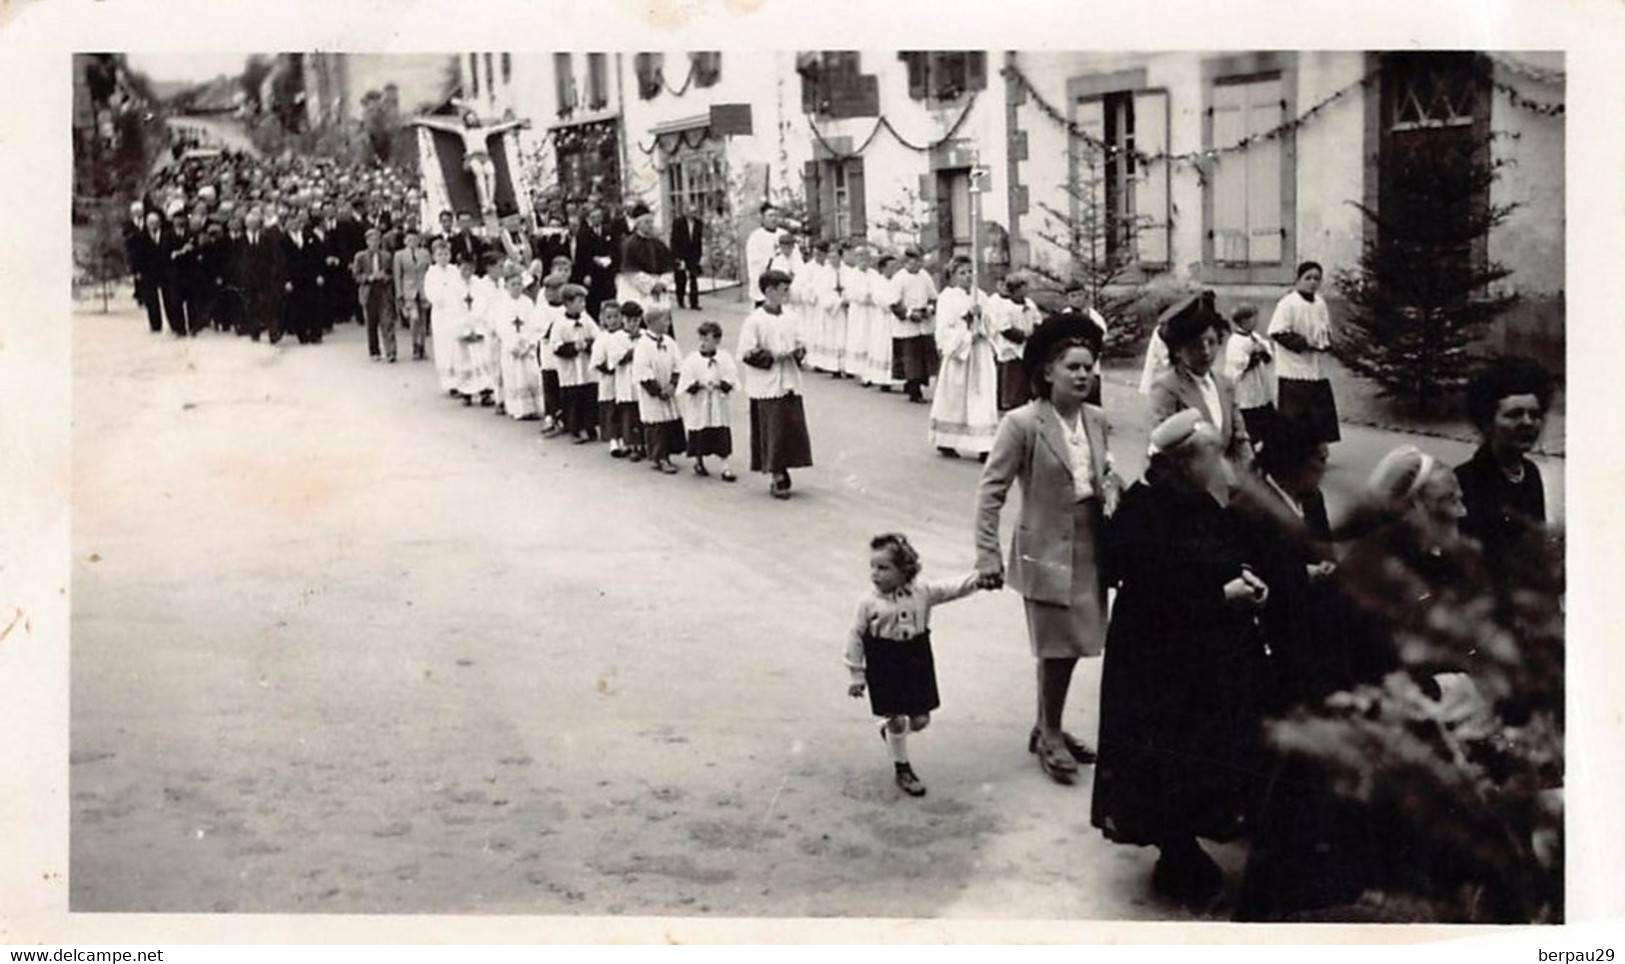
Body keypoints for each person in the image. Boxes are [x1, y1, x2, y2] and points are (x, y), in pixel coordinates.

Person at [1091, 409, 1271, 902]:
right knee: (1165, 757)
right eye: (1210, 458)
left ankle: (1195, 835)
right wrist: (1220, 597)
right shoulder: (1144, 510)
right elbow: (1150, 590)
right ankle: (1175, 851)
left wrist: (1248, 580)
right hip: (1157, 663)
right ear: (1182, 463)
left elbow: (1225, 551)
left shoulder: (1196, 500)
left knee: (1203, 750)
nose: (1219, 468)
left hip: (1201, 655)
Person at [975, 314, 1120, 785]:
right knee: (1056, 646)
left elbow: (1103, 479)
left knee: (1073, 643)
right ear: (1047, 373)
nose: (1083, 375)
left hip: (1090, 545)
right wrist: (987, 555)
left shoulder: (1096, 419)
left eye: (1089, 367)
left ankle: (1046, 725)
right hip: (1045, 549)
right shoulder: (1022, 424)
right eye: (1073, 367)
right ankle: (1051, 733)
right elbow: (990, 492)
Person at [845, 532, 988, 797]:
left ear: (905, 569)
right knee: (897, 719)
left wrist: (981, 579)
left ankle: (892, 734)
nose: (875, 574)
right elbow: (855, 636)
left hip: (916, 659)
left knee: (921, 720)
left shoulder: (923, 592)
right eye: (872, 567)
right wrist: (856, 674)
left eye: (883, 568)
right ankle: (903, 767)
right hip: (885, 662)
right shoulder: (868, 602)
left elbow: (952, 588)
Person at [1455, 357, 1556, 575]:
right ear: (1486, 422)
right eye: (1514, 414)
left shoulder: (1530, 473)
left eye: (1535, 415)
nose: (1528, 423)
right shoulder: (1463, 481)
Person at [1149, 291, 1252, 467]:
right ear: (1177, 350)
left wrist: (1247, 472)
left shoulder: (1224, 384)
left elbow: (1239, 439)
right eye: (1196, 345)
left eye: (1211, 342)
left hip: (1227, 485)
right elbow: (1165, 448)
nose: (1206, 352)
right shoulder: (1167, 387)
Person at [738, 269, 814, 499]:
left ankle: (786, 465)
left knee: (790, 427)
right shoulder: (755, 320)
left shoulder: (791, 316)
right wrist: (772, 356)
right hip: (767, 383)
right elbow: (746, 353)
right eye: (783, 290)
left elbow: (801, 341)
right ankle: (776, 473)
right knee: (773, 428)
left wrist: (799, 352)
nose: (787, 294)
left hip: (788, 379)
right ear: (769, 291)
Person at [928, 256, 999, 460]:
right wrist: (966, 330)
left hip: (980, 352)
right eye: (962, 273)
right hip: (961, 354)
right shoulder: (947, 297)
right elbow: (943, 329)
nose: (967, 277)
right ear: (953, 276)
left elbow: (993, 323)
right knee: (955, 396)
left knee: (982, 394)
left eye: (970, 272)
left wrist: (982, 318)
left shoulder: (982, 296)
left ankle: (984, 443)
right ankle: (947, 439)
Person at [1268, 261, 1340, 444]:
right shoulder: (1288, 303)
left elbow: (1325, 328)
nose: (1312, 282)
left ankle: (1318, 445)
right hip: (1293, 367)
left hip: (1316, 366)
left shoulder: (1320, 303)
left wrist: (1325, 342)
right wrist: (1305, 343)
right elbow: (1277, 332)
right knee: (1295, 412)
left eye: (1317, 278)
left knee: (1320, 409)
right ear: (1298, 280)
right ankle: (1294, 448)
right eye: (1308, 278)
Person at [677, 320, 740, 482]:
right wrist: (699, 385)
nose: (703, 343)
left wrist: (720, 384)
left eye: (707, 339)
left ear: (717, 341)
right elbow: (686, 382)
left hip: (718, 403)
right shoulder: (692, 359)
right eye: (701, 339)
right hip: (700, 403)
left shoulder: (724, 358)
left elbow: (732, 378)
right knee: (699, 431)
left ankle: (725, 465)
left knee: (720, 432)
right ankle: (699, 460)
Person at [632, 306, 685, 474]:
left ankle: (668, 452)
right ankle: (660, 456)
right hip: (653, 393)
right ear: (652, 322)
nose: (668, 323)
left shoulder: (669, 342)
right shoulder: (643, 345)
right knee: (657, 425)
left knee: (669, 422)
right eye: (665, 320)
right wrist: (656, 390)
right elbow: (641, 370)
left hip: (668, 388)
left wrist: (673, 384)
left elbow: (678, 363)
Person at [488, 268, 544, 419]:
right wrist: (513, 344)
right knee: (514, 376)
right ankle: (518, 408)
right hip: (511, 348)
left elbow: (534, 324)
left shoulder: (527, 303)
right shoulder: (502, 305)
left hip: (526, 347)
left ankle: (533, 407)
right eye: (513, 284)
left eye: (519, 284)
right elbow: (501, 327)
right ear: (506, 286)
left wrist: (527, 342)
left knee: (530, 375)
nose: (517, 287)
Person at [550, 283, 602, 442]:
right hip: (570, 370)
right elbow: (555, 345)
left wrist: (587, 345)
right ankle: (575, 429)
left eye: (583, 302)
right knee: (573, 400)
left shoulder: (586, 319)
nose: (583, 305)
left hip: (586, 370)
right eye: (579, 302)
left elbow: (598, 337)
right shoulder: (559, 323)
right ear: (568, 303)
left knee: (588, 397)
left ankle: (589, 426)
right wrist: (572, 347)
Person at [1222, 304, 1277, 448]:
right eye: (1252, 318)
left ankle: (1268, 448)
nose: (1256, 321)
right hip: (1245, 385)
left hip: (1258, 383)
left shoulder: (1255, 336)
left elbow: (1268, 355)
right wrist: (1254, 355)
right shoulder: (1235, 341)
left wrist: (1262, 352)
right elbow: (1238, 364)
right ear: (1243, 321)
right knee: (1249, 418)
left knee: (1266, 416)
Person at [989, 272, 1042, 414]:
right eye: (1021, 288)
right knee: (1013, 377)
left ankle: (1027, 400)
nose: (1025, 290)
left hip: (1028, 346)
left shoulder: (1030, 304)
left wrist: (1034, 333)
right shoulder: (1006, 307)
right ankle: (1010, 403)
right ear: (1015, 290)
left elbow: (1037, 320)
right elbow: (1004, 328)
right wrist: (1021, 336)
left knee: (1027, 376)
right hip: (1011, 348)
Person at [892, 246, 939, 403]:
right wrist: (909, 314)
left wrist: (929, 310)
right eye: (916, 260)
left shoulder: (924, 276)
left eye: (921, 260)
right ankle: (913, 388)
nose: (919, 263)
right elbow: (893, 303)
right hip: (907, 326)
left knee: (922, 358)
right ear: (907, 261)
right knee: (910, 358)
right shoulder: (899, 278)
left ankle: (918, 383)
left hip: (923, 323)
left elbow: (933, 296)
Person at [422, 239, 466, 395]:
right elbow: (431, 292)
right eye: (439, 254)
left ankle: (460, 379)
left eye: (446, 254)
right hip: (441, 313)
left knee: (457, 346)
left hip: (455, 311)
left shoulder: (454, 270)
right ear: (434, 257)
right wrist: (443, 297)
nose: (443, 258)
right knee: (444, 345)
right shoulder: (432, 272)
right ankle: (449, 382)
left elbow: (461, 288)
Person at [238, 209, 286, 343]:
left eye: (255, 223)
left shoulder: (266, 238)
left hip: (264, 278)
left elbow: (274, 256)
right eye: (250, 223)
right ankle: (254, 330)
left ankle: (273, 331)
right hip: (247, 279)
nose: (253, 225)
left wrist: (273, 272)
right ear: (246, 225)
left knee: (268, 305)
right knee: (250, 304)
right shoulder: (241, 240)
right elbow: (236, 260)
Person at [589, 301, 628, 455]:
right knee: (611, 410)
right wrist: (608, 369)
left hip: (624, 378)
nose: (613, 320)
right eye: (609, 317)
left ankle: (626, 439)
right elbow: (596, 361)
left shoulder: (625, 335)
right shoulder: (602, 338)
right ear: (603, 319)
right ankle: (613, 440)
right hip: (609, 379)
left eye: (616, 316)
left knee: (624, 410)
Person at [351, 227, 396, 360]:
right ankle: (374, 351)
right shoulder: (360, 257)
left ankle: (391, 351)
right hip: (368, 290)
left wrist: (385, 277)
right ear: (367, 242)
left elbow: (392, 273)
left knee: (387, 321)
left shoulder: (387, 256)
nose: (374, 243)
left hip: (383, 290)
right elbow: (356, 275)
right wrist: (368, 278)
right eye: (371, 240)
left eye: (377, 240)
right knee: (371, 323)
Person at [617, 213, 676, 310]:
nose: (650, 225)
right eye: (646, 222)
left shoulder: (659, 243)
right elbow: (630, 271)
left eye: (651, 222)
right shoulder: (629, 244)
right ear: (638, 224)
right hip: (637, 291)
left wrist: (662, 283)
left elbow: (668, 266)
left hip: (659, 288)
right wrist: (652, 285)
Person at [612, 301, 647, 462]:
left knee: (642, 413)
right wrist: (632, 353)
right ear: (623, 320)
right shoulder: (617, 338)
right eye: (630, 320)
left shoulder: (645, 335)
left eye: (637, 320)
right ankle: (631, 445)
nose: (634, 324)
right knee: (629, 414)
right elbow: (615, 359)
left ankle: (643, 444)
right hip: (625, 380)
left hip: (640, 380)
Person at [127, 211, 172, 334]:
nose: (153, 225)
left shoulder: (166, 235)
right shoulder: (140, 237)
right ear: (146, 224)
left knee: (169, 298)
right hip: (148, 271)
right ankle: (155, 325)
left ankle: (173, 323)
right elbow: (135, 256)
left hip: (164, 271)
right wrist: (137, 271)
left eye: (156, 223)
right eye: (151, 223)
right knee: (151, 300)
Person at [393, 228, 433, 361]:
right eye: (409, 240)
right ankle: (414, 345)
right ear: (405, 241)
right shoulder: (399, 255)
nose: (412, 242)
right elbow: (397, 275)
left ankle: (422, 346)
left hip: (423, 289)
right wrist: (399, 293)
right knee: (414, 319)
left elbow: (430, 271)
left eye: (415, 239)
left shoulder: (425, 253)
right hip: (408, 290)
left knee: (423, 320)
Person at [864, 253, 902, 392]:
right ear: (883, 268)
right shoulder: (877, 282)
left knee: (895, 347)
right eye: (891, 267)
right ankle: (882, 379)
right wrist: (893, 303)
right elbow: (880, 299)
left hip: (896, 319)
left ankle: (895, 377)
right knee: (882, 347)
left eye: (895, 267)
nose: (894, 270)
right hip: (883, 319)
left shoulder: (897, 281)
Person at [574, 206, 619, 318]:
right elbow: (581, 257)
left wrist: (610, 259)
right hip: (592, 273)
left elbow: (616, 249)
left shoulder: (609, 231)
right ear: (589, 218)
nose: (596, 219)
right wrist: (586, 273)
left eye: (599, 216)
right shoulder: (583, 234)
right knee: (593, 301)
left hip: (607, 272)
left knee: (609, 298)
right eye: (593, 217)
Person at [745, 202, 783, 307]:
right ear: (763, 219)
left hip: (782, 282)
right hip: (765, 280)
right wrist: (771, 261)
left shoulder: (783, 234)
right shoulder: (756, 237)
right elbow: (754, 259)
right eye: (770, 216)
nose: (774, 218)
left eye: (776, 215)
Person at [670, 199, 705, 310]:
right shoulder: (678, 222)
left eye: (694, 211)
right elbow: (674, 240)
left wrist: (699, 256)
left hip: (693, 254)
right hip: (681, 253)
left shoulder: (699, 224)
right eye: (690, 211)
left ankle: (694, 303)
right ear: (685, 211)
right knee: (681, 279)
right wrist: (676, 257)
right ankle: (680, 300)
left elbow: (698, 241)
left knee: (693, 278)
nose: (692, 213)